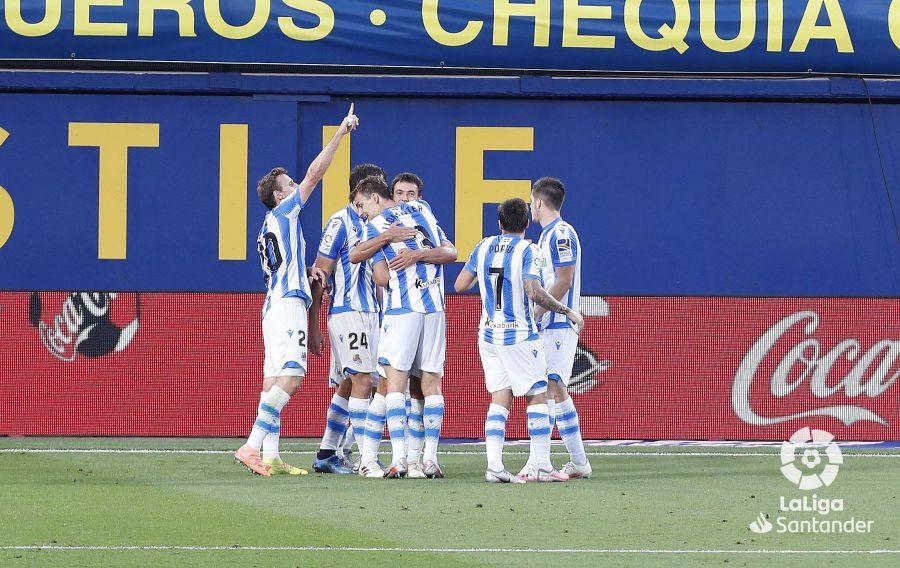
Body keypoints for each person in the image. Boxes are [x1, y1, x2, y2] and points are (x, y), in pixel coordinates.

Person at [233, 104, 359, 477]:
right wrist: (340, 132)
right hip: (287, 305)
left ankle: (269, 455)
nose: (295, 188)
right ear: (278, 196)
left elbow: (282, 266)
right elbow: (315, 173)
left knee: (272, 380)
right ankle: (251, 446)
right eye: (288, 186)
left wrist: (305, 272)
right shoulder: (284, 212)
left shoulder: (267, 229)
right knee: (292, 377)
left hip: (274, 304)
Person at [455, 198, 583, 483]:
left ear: (499, 223)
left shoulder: (483, 246)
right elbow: (534, 291)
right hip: (519, 334)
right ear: (526, 223)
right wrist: (566, 310)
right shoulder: (529, 250)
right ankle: (541, 464)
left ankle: (495, 467)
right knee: (537, 394)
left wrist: (488, 279)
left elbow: (460, 285)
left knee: (500, 397)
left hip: (488, 334)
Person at [308, 164, 417, 476]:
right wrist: (313, 323)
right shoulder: (340, 222)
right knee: (364, 382)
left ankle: (329, 451)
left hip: (372, 314)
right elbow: (320, 272)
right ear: (360, 193)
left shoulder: (381, 223)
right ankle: (366, 457)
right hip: (348, 312)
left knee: (349, 383)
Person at [350, 175, 457, 478]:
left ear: (374, 198)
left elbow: (358, 256)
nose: (361, 213)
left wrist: (387, 239)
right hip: (435, 307)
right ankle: (428, 460)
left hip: (402, 309)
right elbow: (450, 250)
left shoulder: (378, 225)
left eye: (362, 205)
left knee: (392, 385)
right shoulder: (424, 210)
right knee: (431, 384)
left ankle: (399, 460)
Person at [521, 176, 592, 480]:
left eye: (531, 201)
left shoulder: (561, 234)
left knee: (548, 388)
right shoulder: (547, 235)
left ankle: (541, 461)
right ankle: (578, 462)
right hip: (552, 323)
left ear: (538, 201)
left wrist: (536, 314)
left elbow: (564, 279)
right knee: (558, 389)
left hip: (557, 323)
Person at [389, 172, 428, 479]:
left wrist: (416, 254)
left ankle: (419, 458)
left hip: (425, 311)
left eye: (410, 193)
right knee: (391, 383)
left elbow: (451, 251)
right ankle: (396, 457)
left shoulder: (426, 217)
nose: (404, 198)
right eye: (399, 192)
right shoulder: (384, 222)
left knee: (418, 385)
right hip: (393, 311)